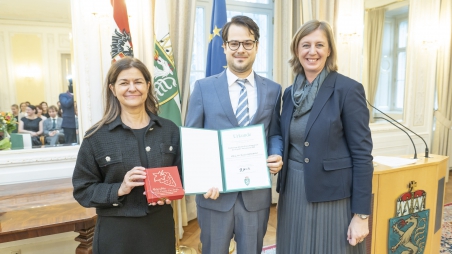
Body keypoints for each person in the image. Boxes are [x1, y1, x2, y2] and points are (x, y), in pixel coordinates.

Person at [185, 15, 283, 254]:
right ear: (224, 47)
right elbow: (192, 140)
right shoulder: (203, 87)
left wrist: (276, 154)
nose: (241, 49)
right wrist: (202, 179)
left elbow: (275, 133)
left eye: (248, 43)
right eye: (234, 43)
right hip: (214, 195)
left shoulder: (272, 89)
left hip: (255, 196)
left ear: (257, 46)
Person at [276, 20, 373, 254]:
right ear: (296, 50)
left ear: (329, 50)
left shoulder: (347, 90)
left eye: (320, 44)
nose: (312, 51)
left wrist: (361, 215)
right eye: (305, 44)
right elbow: (282, 137)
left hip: (332, 196)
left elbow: (362, 156)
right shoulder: (289, 93)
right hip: (293, 191)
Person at [72, 57, 180, 254]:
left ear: (147, 86)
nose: (132, 88)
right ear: (113, 89)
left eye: (138, 82)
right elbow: (83, 190)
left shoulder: (170, 130)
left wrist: (171, 192)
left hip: (159, 228)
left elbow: (183, 175)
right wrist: (119, 189)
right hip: (116, 233)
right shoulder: (96, 137)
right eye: (124, 83)